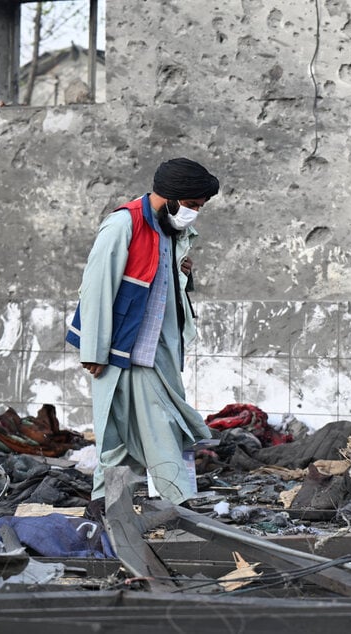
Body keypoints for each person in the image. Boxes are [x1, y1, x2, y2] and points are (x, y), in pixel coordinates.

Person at [67, 158, 220, 512]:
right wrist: (93, 349)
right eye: (193, 205)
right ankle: (168, 502)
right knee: (134, 430)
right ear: (170, 197)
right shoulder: (123, 223)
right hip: (121, 349)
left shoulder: (169, 229)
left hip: (156, 350)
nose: (195, 213)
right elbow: (96, 286)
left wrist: (182, 269)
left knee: (146, 431)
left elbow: (164, 285)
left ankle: (120, 504)